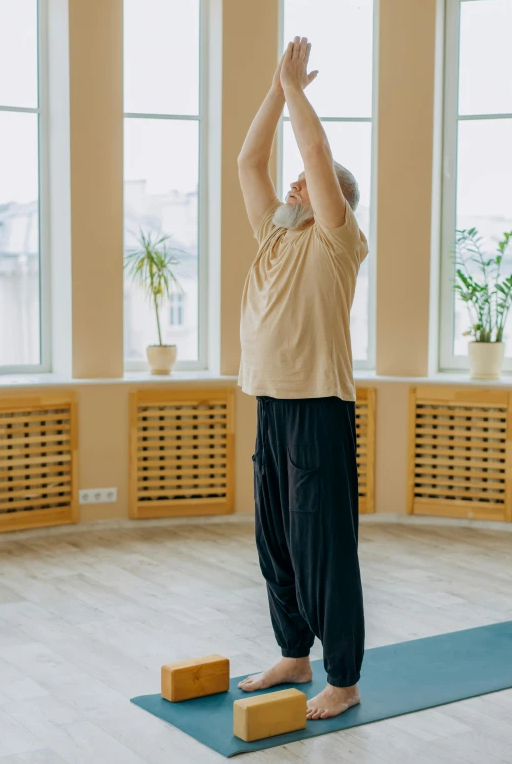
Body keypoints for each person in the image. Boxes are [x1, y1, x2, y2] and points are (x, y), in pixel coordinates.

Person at [236, 36, 369, 721]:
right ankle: (294, 651)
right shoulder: (275, 234)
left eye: (305, 187)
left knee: (323, 546)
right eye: (292, 186)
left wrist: (298, 94)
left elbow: (315, 158)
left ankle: (342, 677)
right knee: (277, 540)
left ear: (329, 202)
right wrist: (273, 86)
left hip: (319, 408)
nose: (292, 183)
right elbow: (247, 160)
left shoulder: (336, 240)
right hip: (272, 403)